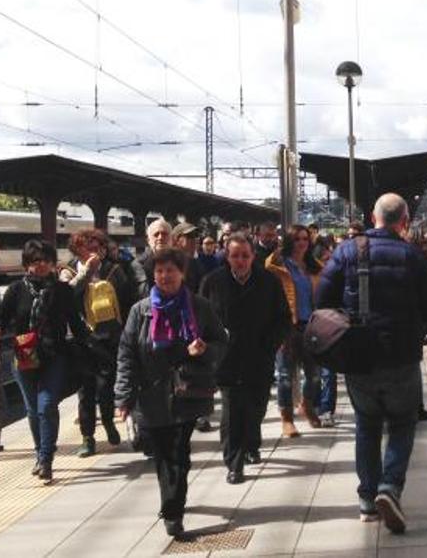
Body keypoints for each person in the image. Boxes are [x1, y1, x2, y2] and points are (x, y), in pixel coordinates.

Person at [316, 193, 427, 533]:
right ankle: (390, 486)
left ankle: (368, 501)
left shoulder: (345, 252)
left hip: (358, 355)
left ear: (373, 217)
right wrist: (422, 328)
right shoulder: (413, 255)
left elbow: (322, 301)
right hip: (401, 354)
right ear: (405, 219)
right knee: (402, 423)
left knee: (367, 425)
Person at [115, 248, 227, 538]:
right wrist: (123, 397)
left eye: (171, 270)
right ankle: (173, 501)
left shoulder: (199, 307)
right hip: (150, 394)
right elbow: (127, 354)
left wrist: (206, 350)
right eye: (160, 271)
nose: (165, 276)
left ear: (182, 273)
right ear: (153, 275)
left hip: (188, 391)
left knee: (178, 452)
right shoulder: (140, 311)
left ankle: (172, 511)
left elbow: (220, 342)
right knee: (165, 454)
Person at [200, 233, 290, 484]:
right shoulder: (213, 282)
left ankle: (252, 443)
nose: (240, 261)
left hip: (259, 356)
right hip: (226, 359)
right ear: (227, 257)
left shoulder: (269, 281)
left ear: (253, 257)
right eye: (235, 256)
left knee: (256, 407)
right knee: (231, 412)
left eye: (245, 256)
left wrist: (271, 344)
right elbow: (202, 318)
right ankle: (234, 463)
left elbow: (283, 318)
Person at [0, 239, 83, 484]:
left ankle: (46, 459)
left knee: (46, 406)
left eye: (46, 260)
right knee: (32, 409)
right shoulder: (16, 290)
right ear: (26, 265)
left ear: (53, 264)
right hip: (24, 353)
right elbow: (1, 318)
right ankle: (38, 452)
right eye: (35, 261)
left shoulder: (62, 291)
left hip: (55, 354)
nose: (41, 265)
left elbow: (75, 322)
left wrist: (93, 345)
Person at [61, 227, 135, 457]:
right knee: (85, 391)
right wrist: (86, 274)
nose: (96, 252)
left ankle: (108, 421)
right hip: (82, 339)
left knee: (106, 386)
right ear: (78, 250)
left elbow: (126, 300)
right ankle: (88, 437)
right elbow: (65, 297)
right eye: (89, 248)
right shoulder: (68, 270)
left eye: (99, 247)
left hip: (110, 338)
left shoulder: (114, 270)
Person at [266, 224, 323, 436]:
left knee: (315, 375)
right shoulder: (278, 265)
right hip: (286, 327)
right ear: (289, 241)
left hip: (311, 327)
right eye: (297, 239)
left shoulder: (315, 266)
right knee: (284, 375)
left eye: (305, 239)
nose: (301, 243)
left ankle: (307, 405)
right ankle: (287, 419)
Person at [313, 238, 339, 427]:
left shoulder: (338, 277)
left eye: (330, 259)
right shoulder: (309, 278)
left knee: (329, 371)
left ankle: (327, 409)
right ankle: (314, 404)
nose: (329, 263)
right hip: (311, 328)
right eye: (325, 259)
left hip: (331, 328)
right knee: (313, 372)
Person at [133, 219, 175, 299]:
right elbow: (144, 294)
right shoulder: (139, 265)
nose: (160, 237)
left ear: (172, 239)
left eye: (164, 234)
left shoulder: (181, 262)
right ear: (148, 240)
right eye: (156, 234)